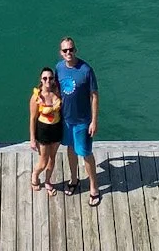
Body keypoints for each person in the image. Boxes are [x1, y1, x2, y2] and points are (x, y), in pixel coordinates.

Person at [54, 36, 99, 204]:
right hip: (65, 120)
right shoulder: (59, 68)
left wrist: (94, 121)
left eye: (71, 49)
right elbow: (56, 90)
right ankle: (74, 179)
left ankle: (94, 187)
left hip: (82, 121)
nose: (68, 53)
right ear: (61, 52)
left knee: (86, 153)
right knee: (70, 149)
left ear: (75, 50)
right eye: (65, 50)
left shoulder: (86, 70)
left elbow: (94, 96)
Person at [28, 67, 63, 193]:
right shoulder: (36, 97)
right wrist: (32, 139)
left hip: (57, 128)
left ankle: (48, 181)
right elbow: (33, 118)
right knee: (43, 162)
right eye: (45, 78)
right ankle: (35, 175)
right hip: (43, 130)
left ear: (53, 79)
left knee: (52, 158)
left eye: (50, 78)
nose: (48, 80)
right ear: (41, 80)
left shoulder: (57, 92)